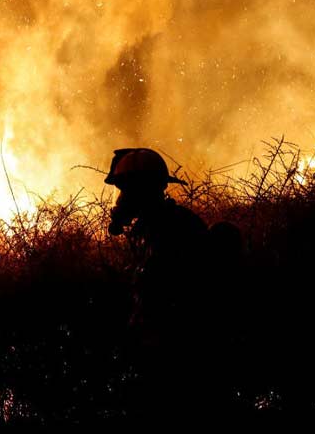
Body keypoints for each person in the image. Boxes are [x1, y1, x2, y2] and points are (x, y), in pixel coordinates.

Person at [105, 148, 211, 424]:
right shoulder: (156, 228)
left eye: (124, 190)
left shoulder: (172, 231)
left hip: (174, 358)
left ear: (141, 191)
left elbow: (169, 301)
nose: (119, 199)